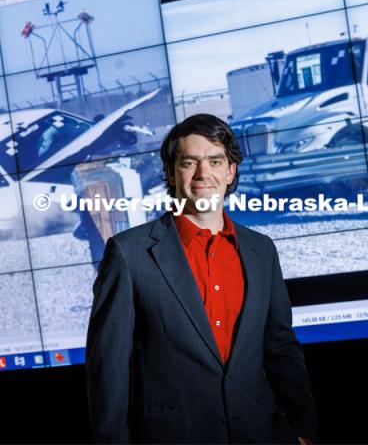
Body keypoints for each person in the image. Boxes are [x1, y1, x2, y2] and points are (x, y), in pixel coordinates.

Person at [85, 114, 317, 444]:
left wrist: (303, 428)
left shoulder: (261, 250)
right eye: (189, 162)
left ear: (230, 171)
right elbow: (108, 369)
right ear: (170, 171)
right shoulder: (129, 253)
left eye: (215, 161)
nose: (203, 174)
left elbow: (281, 349)